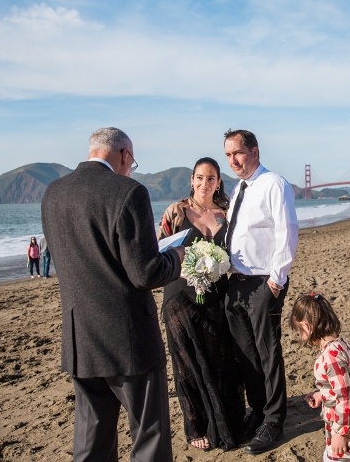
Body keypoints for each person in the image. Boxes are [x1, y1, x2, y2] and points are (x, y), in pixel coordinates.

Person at [41, 127, 184, 461]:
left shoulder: (53, 193)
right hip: (129, 339)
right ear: (124, 155)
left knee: (91, 441)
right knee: (149, 436)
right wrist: (175, 258)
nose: (130, 169)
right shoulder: (129, 192)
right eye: (132, 163)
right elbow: (145, 272)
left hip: (80, 339)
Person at [156, 157, 245, 452]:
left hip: (217, 297)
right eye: (199, 178)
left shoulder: (228, 213)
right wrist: (183, 268)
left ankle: (228, 421)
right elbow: (157, 254)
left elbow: (240, 251)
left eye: (211, 178)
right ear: (191, 180)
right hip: (179, 298)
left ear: (218, 182)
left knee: (222, 359)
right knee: (187, 364)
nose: (204, 184)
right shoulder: (175, 213)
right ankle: (196, 426)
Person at [222, 129, 299, 455]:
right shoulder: (239, 188)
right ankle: (258, 409)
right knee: (245, 355)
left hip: (262, 282)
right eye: (228, 155)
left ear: (254, 151)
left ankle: (273, 421)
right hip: (235, 284)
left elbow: (288, 231)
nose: (233, 161)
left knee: (268, 354)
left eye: (237, 153)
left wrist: (276, 280)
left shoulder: (273, 184)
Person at [291, 292, 350, 462]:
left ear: (306, 326)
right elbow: (348, 383)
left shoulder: (330, 357)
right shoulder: (340, 344)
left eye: (299, 331)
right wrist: (321, 394)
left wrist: (340, 433)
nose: (300, 336)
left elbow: (345, 399)